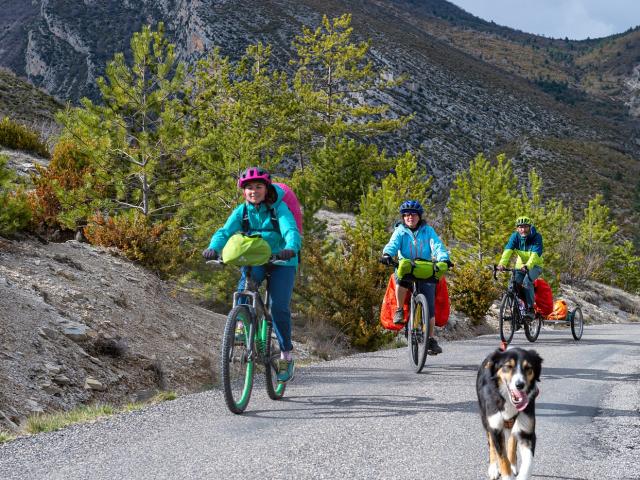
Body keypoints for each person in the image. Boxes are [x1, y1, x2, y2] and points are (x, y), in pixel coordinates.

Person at [202, 167, 301, 383]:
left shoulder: (279, 208)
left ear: (267, 189)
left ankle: (286, 355)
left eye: (258, 187)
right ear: (243, 191)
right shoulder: (242, 211)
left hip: (282, 260)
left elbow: (290, 231)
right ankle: (240, 323)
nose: (253, 191)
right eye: (249, 188)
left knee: (278, 306)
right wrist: (213, 247)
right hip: (256, 257)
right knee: (244, 289)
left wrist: (291, 247)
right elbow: (224, 232)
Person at [380, 200, 450, 355]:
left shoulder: (428, 230)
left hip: (424, 268)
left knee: (430, 308)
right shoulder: (400, 231)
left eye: (413, 214)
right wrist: (387, 254)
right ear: (403, 217)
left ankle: (430, 339)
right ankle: (399, 310)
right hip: (406, 266)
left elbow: (437, 246)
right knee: (401, 278)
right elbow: (393, 244)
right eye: (406, 215)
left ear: (419, 216)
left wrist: (443, 258)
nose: (409, 217)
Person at [496, 216, 543, 320]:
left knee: (527, 282)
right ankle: (516, 312)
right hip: (520, 265)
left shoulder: (536, 237)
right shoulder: (515, 237)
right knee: (512, 286)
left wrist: (528, 266)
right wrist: (502, 264)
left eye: (525, 227)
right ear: (517, 229)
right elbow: (508, 250)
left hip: (535, 265)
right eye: (520, 227)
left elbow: (535, 255)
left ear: (530, 227)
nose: (523, 229)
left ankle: (530, 309)